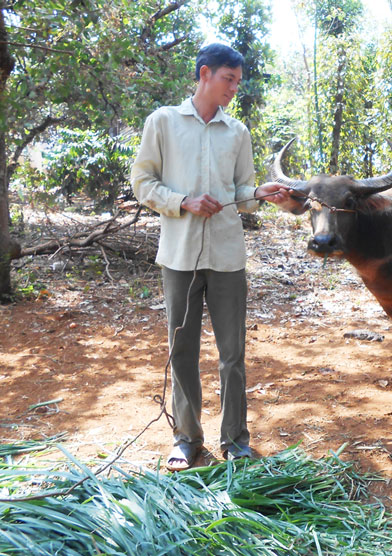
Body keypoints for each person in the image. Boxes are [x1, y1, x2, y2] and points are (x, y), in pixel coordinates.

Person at [130, 43, 291, 471]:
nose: (234, 88)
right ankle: (186, 439)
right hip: (179, 257)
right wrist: (183, 201)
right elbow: (142, 182)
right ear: (204, 73)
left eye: (238, 81)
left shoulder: (237, 133)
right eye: (228, 79)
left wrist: (260, 193)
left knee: (232, 353)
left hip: (227, 257)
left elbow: (241, 192)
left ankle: (235, 439)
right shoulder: (163, 122)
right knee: (181, 351)